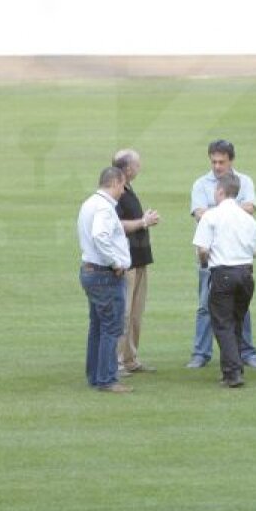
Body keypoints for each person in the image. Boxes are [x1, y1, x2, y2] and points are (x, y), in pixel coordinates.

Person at [187, 139, 256, 369]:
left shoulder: (245, 181)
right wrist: (231, 211)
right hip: (211, 257)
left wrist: (220, 213)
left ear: (231, 161)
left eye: (221, 162)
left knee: (240, 308)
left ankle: (246, 352)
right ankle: (201, 352)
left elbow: (251, 207)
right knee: (204, 306)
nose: (217, 166)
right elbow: (198, 212)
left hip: (235, 256)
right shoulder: (201, 183)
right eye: (214, 162)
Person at [192, 173, 256, 388]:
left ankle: (232, 373)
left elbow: (202, 249)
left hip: (223, 273)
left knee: (222, 323)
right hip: (246, 274)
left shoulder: (210, 217)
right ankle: (233, 366)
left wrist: (205, 262)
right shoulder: (248, 219)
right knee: (236, 321)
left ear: (220, 192)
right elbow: (255, 252)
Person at [77, 166, 133, 393]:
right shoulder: (105, 208)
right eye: (123, 186)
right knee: (111, 327)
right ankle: (108, 379)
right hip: (104, 274)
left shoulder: (89, 203)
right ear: (116, 183)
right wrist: (116, 263)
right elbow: (100, 236)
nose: (123, 192)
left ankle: (95, 375)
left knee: (98, 326)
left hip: (90, 270)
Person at [112, 149, 160, 377]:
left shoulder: (127, 188)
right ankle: (118, 362)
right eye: (137, 164)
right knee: (124, 312)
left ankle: (130, 358)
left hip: (140, 259)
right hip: (127, 262)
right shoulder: (116, 192)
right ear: (128, 169)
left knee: (136, 313)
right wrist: (143, 222)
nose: (140, 167)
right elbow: (117, 225)